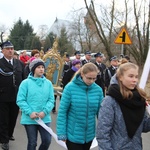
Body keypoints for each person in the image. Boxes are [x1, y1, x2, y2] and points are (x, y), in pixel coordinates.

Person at [96, 62, 150, 150]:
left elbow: (144, 126)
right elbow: (102, 134)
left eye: (136, 77)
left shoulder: (139, 99)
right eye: (131, 76)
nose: (135, 80)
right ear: (120, 77)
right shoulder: (110, 101)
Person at [57, 63, 103, 150]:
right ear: (82, 74)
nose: (92, 81)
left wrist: (103, 132)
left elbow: (101, 114)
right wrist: (61, 133)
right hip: (73, 135)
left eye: (94, 78)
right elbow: (63, 112)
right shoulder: (70, 88)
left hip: (89, 135)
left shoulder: (98, 90)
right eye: (89, 78)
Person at [16, 58, 54, 150]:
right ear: (33, 69)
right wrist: (30, 112)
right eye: (38, 67)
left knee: (47, 140)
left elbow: (51, 100)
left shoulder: (48, 83)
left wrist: (44, 112)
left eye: (42, 67)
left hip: (44, 118)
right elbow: (20, 100)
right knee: (32, 143)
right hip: (30, 118)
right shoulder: (25, 83)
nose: (41, 69)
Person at [0, 41, 25, 150]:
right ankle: (4, 140)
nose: (10, 50)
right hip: (3, 96)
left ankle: (9, 134)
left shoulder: (19, 63)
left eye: (12, 48)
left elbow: (24, 81)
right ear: (3, 51)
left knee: (13, 118)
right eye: (8, 48)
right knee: (3, 119)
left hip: (16, 96)